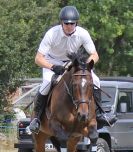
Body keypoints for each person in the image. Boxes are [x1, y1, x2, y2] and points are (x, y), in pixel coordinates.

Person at [29, 6, 117, 134]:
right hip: (52, 63)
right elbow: (38, 59)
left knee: (96, 80)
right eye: (66, 23)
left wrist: (85, 66)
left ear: (76, 23)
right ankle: (36, 118)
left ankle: (100, 114)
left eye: (72, 23)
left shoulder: (82, 33)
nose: (69, 26)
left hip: (74, 63)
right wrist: (53, 67)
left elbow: (94, 55)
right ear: (61, 23)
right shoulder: (52, 34)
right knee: (47, 83)